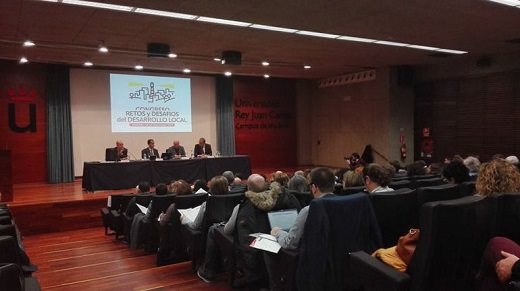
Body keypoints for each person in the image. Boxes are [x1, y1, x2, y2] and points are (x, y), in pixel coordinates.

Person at [271, 167, 336, 250]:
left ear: (314, 187)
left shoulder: (308, 210)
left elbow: (290, 243)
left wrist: (278, 232)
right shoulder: (346, 205)